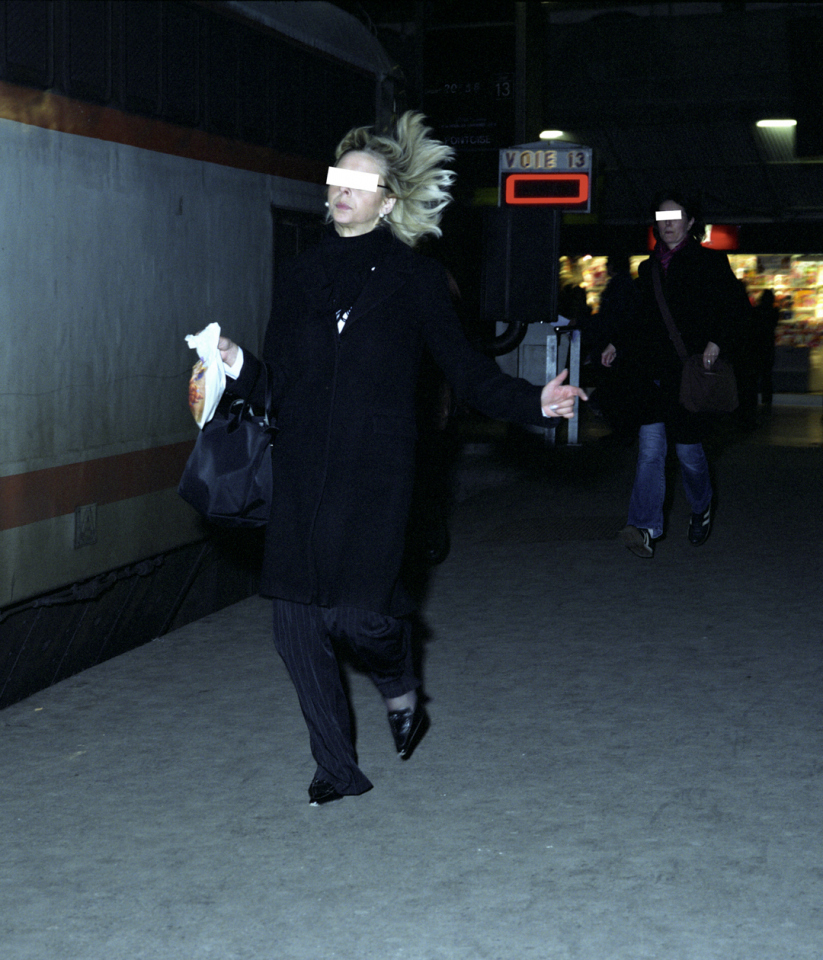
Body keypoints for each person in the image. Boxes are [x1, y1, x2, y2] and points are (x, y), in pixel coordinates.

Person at [214, 112, 587, 805]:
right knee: (294, 626)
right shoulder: (297, 278)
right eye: (337, 180)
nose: (342, 192)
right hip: (300, 475)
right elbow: (279, 388)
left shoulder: (415, 280)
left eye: (360, 182)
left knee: (360, 618)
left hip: (376, 475)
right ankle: (337, 768)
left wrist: (535, 401)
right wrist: (237, 365)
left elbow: (467, 372)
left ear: (389, 200)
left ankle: (398, 683)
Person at [601, 189, 739, 558]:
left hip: (690, 376)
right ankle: (645, 529)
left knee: (689, 454)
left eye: (675, 217)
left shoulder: (711, 263)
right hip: (653, 376)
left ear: (691, 222)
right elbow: (640, 318)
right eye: (661, 219)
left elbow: (733, 310)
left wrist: (716, 342)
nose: (668, 225)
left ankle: (702, 505)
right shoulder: (648, 269)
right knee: (650, 453)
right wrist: (619, 343)